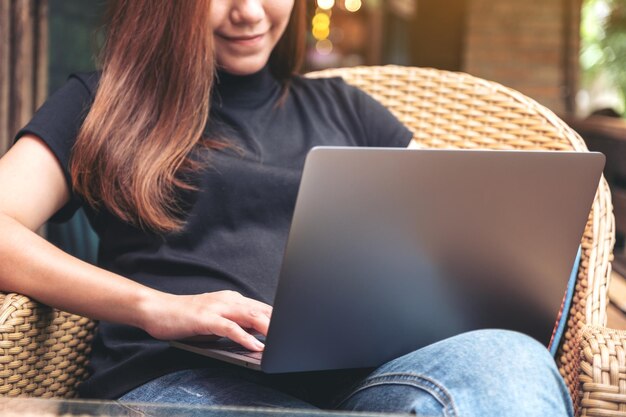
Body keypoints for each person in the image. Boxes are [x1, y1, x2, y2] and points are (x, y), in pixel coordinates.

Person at [0, 1, 573, 415]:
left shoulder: (349, 111)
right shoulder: (104, 104)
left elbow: (457, 230)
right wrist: (156, 307)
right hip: (184, 383)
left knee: (508, 361)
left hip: (371, 383)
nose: (248, 12)